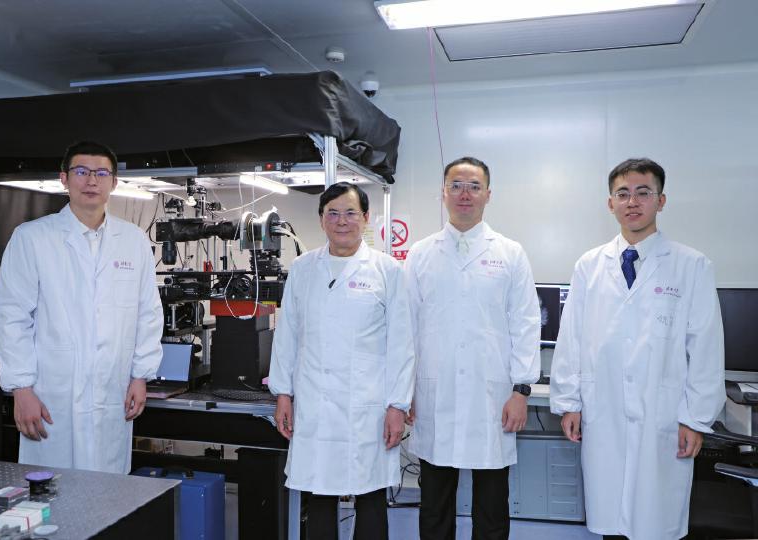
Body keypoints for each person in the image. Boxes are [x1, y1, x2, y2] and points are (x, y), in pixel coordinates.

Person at [550, 158, 725, 540]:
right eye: (623, 194)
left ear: (661, 201)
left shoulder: (691, 265)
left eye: (643, 193)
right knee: (611, 518)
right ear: (610, 203)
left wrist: (695, 419)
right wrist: (569, 402)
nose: (632, 202)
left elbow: (706, 349)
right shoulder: (589, 266)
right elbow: (571, 338)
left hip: (664, 414)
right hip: (604, 408)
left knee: (655, 521)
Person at [0, 140, 164, 474]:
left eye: (101, 173)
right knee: (50, 491)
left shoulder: (133, 241)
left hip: (112, 394)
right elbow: (12, 317)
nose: (91, 181)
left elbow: (148, 314)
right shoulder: (32, 238)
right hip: (50, 396)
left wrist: (140, 376)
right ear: (64, 178)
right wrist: (21, 389)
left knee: (108, 492)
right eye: (82, 171)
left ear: (114, 182)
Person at [404, 156, 541, 539]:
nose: (465, 194)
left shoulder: (510, 253)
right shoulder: (420, 254)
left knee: (492, 505)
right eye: (457, 186)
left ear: (488, 194)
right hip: (435, 396)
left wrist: (521, 390)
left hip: (492, 397)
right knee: (434, 503)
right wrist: (405, 391)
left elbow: (526, 323)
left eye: (474, 186)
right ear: (443, 193)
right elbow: (406, 328)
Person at [268, 182, 415, 539]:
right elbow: (287, 335)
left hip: (368, 407)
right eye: (332, 213)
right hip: (316, 403)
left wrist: (398, 405)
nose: (342, 221)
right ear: (321, 219)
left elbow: (402, 344)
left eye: (350, 213)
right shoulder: (303, 268)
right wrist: (283, 394)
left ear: (365, 218)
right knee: (319, 493)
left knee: (371, 496)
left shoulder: (387, 270)